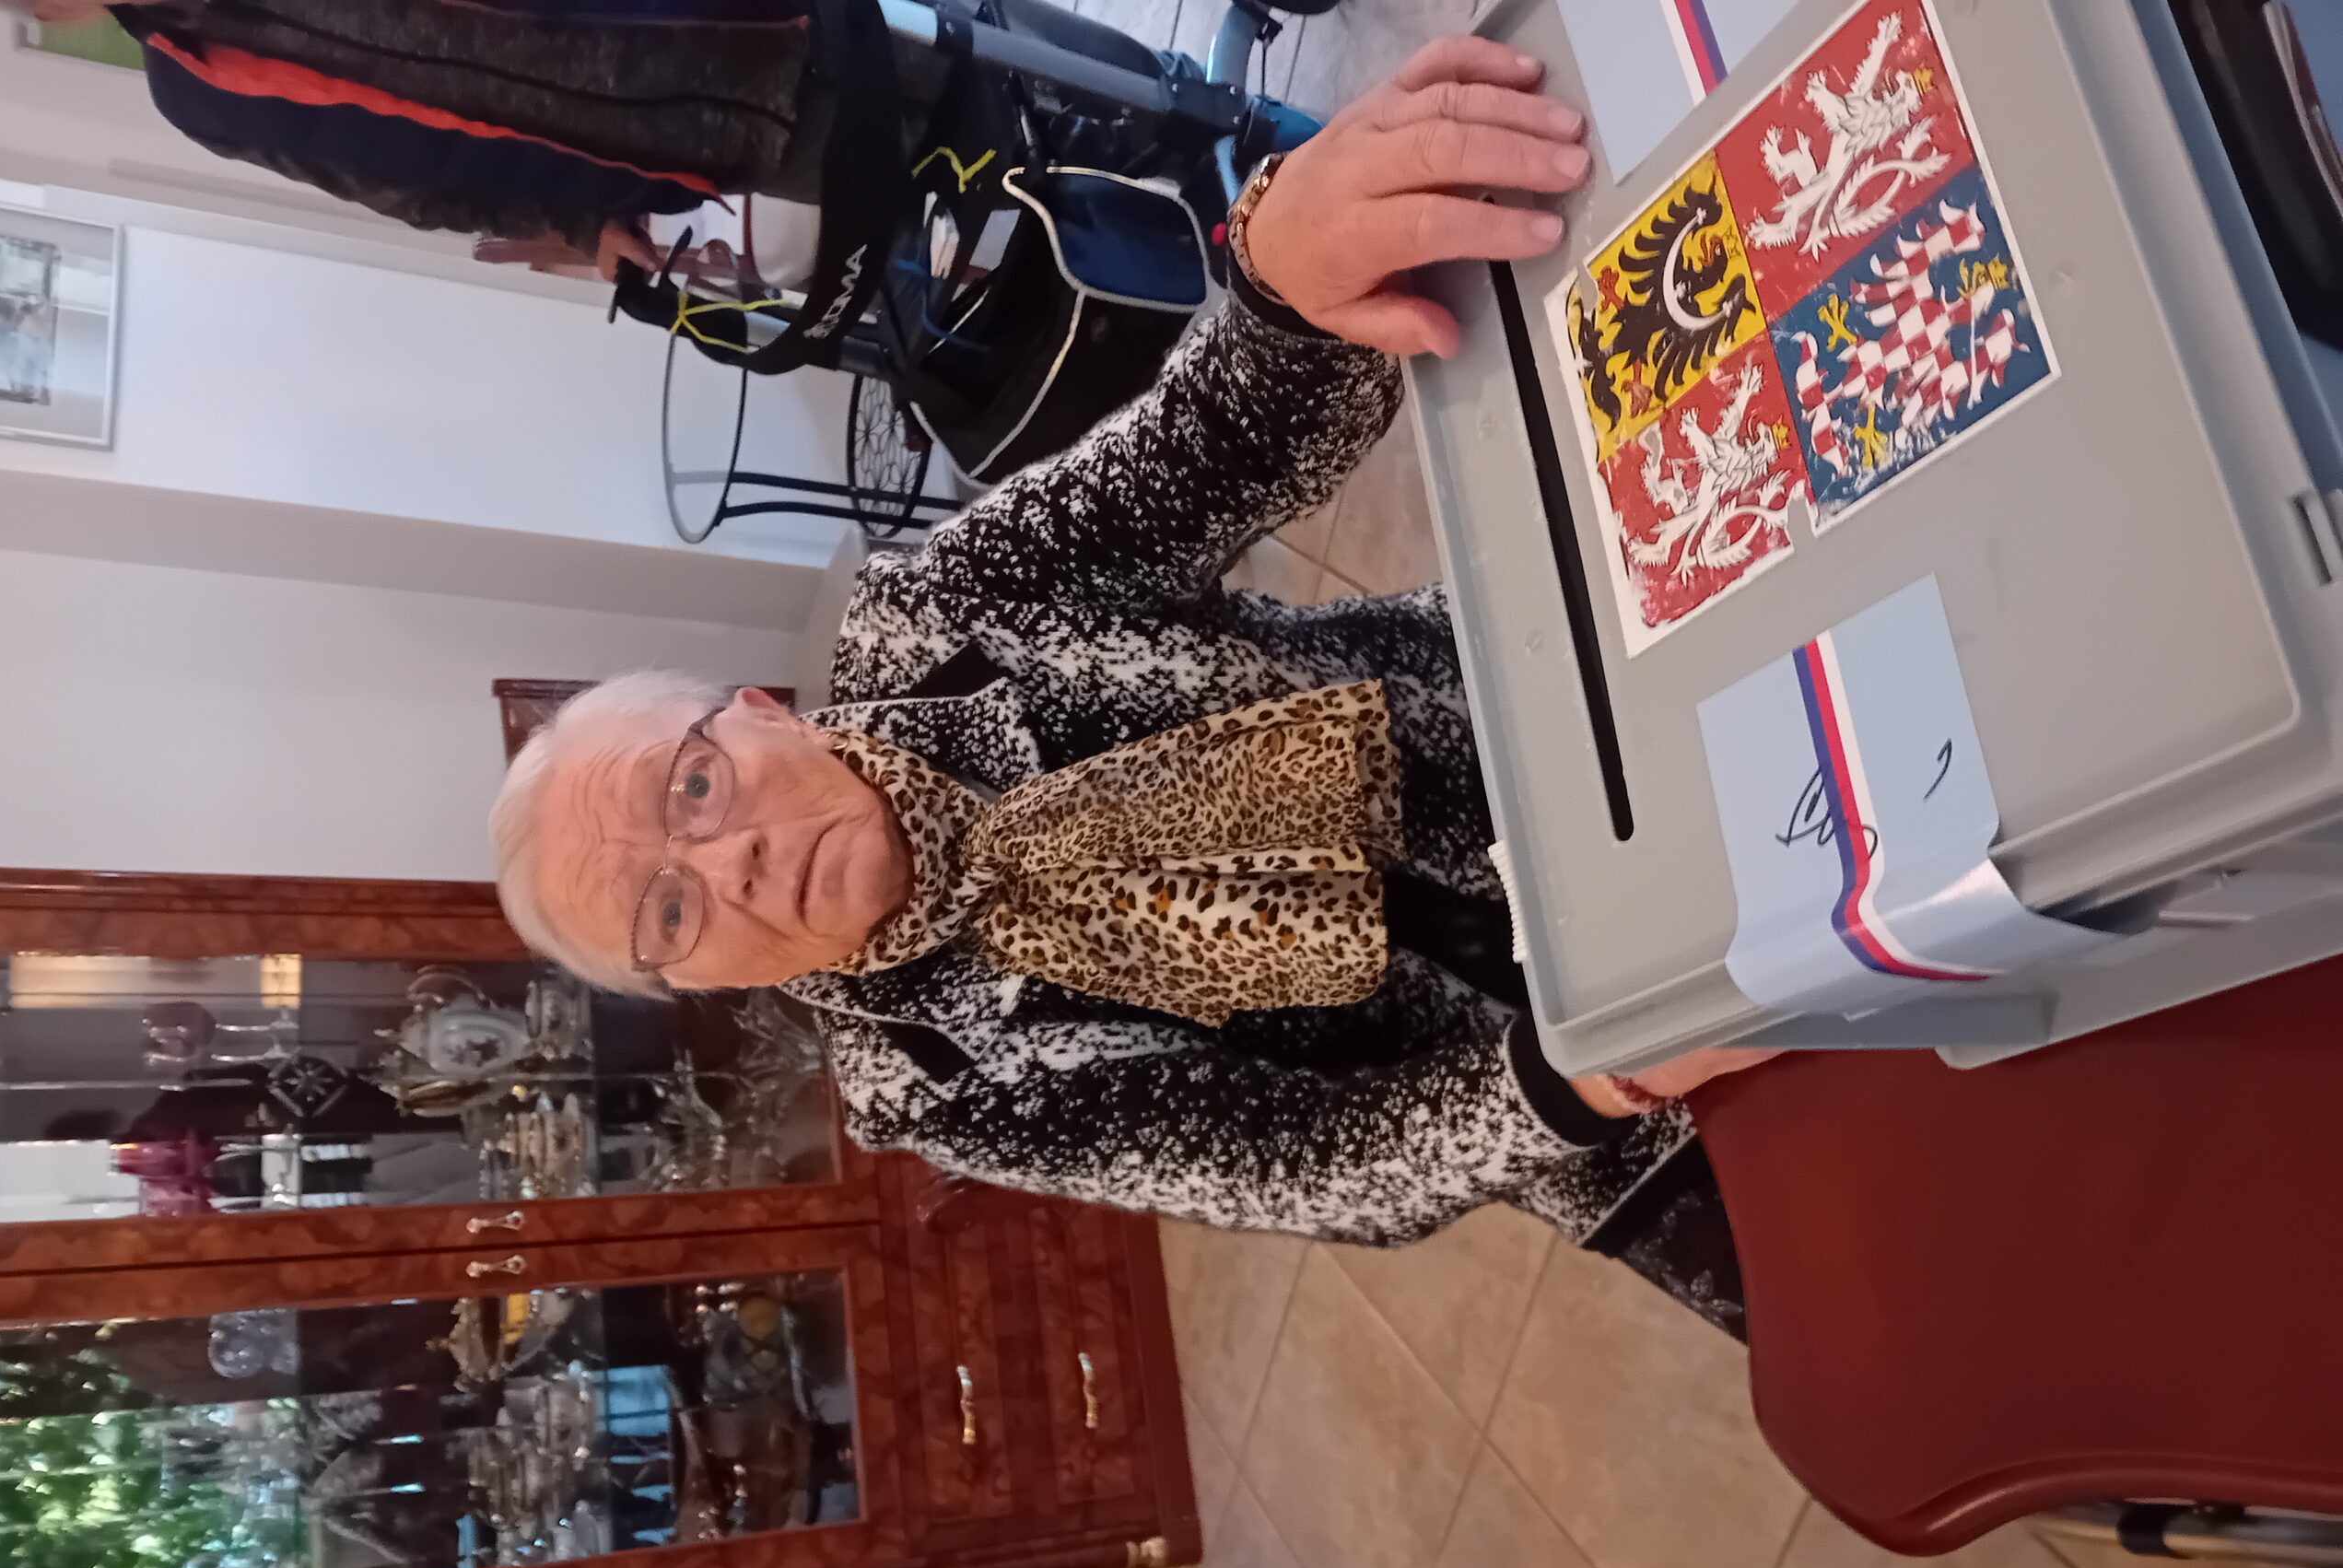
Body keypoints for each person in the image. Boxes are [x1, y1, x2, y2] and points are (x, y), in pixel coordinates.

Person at [490, 39, 1769, 1332]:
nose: (733, 868)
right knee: (1864, 1330)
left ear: (760, 710)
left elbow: (1206, 450)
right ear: (703, 983)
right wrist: (1594, 1072)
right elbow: (1301, 1160)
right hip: (1565, 1097)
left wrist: (1283, 281)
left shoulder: (934, 622)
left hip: (1549, 725)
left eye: (691, 788)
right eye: (671, 914)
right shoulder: (925, 1081)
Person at [0, 0, 942, 281]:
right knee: (952, 192)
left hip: (746, 17)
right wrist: (579, 225)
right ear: (58, 13)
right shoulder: (197, 95)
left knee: (996, 63)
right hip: (699, 141)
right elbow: (410, 187)